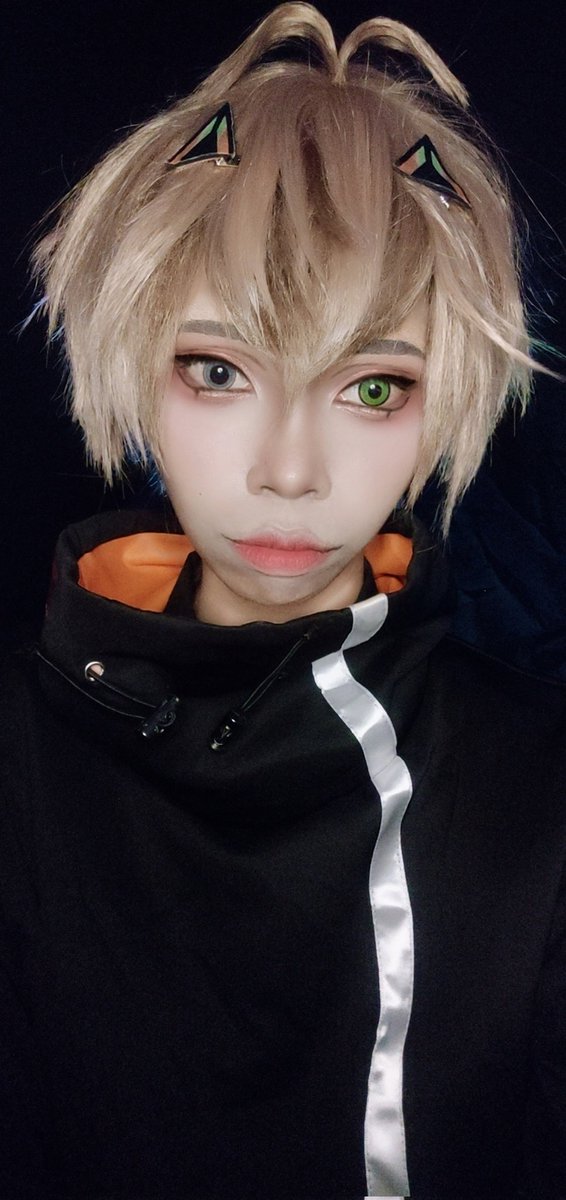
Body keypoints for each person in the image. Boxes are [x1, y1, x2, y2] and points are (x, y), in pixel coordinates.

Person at [1, 4, 565, 1197]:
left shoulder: (537, 788)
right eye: (216, 370)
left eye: (372, 385)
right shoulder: (18, 756)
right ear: (134, 365)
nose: (288, 470)